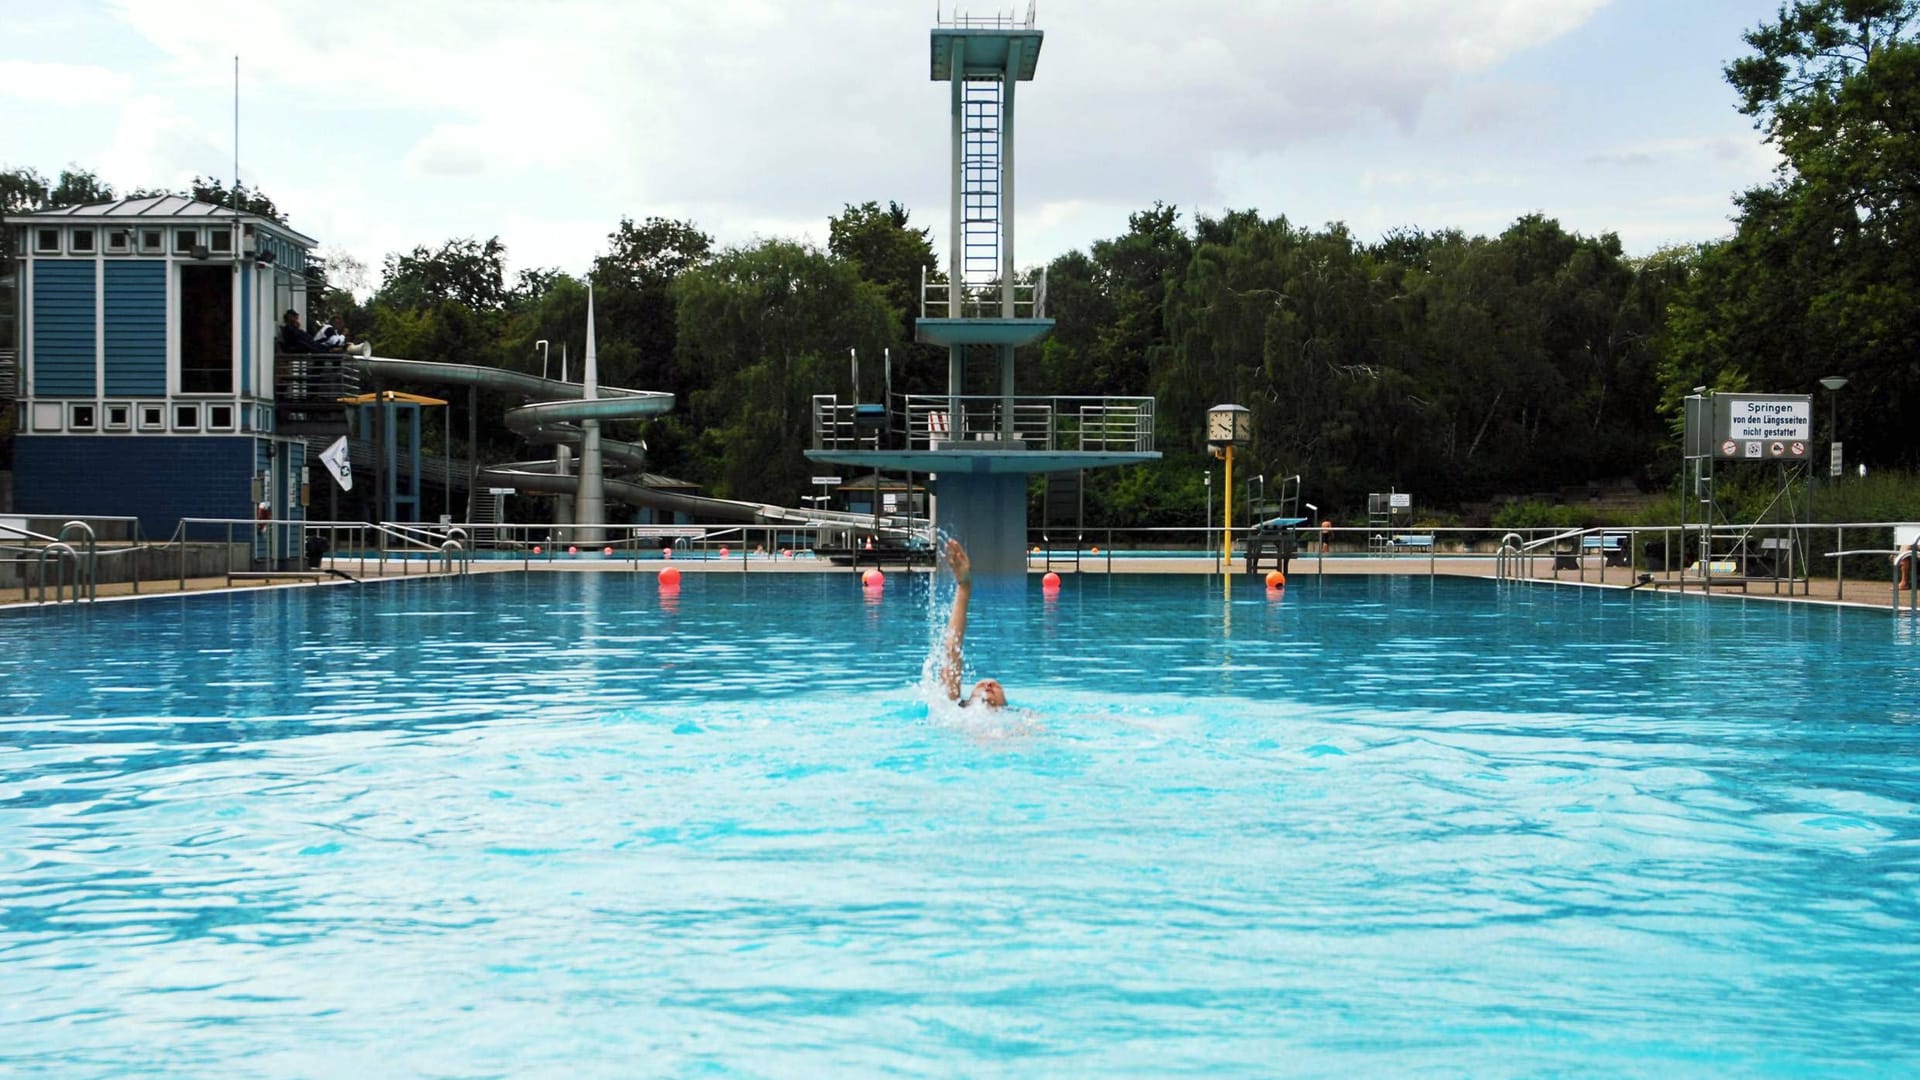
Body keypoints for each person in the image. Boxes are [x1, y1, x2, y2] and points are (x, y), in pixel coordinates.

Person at [939, 539, 1007, 709]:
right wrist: (964, 587)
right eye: (981, 685)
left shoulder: (1018, 720)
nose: (988, 685)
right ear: (967, 700)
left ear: (1005, 703)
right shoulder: (957, 711)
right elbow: (952, 649)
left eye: (996, 686)